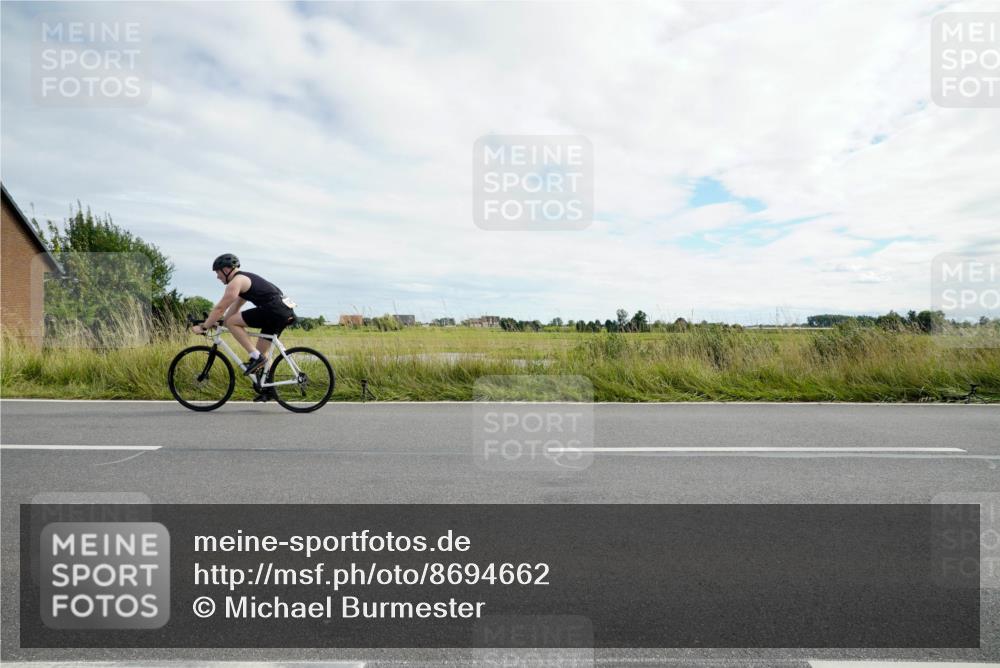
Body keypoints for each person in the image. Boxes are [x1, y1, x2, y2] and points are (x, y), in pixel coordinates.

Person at [192, 254, 296, 399]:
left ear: (226, 269)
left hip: (274, 310)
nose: (217, 277)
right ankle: (269, 389)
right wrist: (218, 323)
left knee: (256, 353)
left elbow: (220, 308)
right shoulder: (244, 280)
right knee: (262, 353)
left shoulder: (236, 282)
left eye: (217, 272)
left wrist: (204, 327)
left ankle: (256, 358)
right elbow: (232, 310)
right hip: (282, 312)